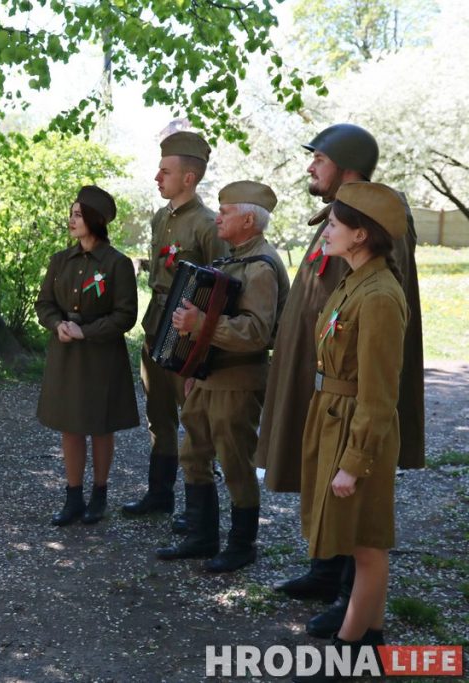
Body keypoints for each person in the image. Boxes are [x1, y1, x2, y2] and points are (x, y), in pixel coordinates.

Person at [257, 124, 424, 638]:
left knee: (361, 516)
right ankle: (328, 571)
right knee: (323, 488)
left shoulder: (373, 220)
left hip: (353, 386)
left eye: (319, 158)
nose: (311, 166)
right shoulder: (337, 217)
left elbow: (375, 324)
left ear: (347, 166)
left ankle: (355, 602)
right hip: (324, 379)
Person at [294, 182, 408, 681]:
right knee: (362, 538)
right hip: (335, 416)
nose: (327, 232)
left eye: (335, 225)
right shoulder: (354, 279)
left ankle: (346, 654)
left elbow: (380, 395)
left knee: (366, 545)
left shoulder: (381, 295)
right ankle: (373, 634)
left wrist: (354, 461)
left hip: (359, 428)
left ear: (360, 234)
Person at [155, 182, 289, 571]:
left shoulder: (261, 266)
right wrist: (195, 363)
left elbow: (256, 333)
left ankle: (241, 544)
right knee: (193, 453)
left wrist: (201, 326)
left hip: (239, 380)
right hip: (210, 376)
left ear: (249, 220)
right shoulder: (232, 259)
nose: (219, 218)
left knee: (235, 462)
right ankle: (201, 536)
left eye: (226, 211)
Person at [122, 131, 229, 520]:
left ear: (189, 178)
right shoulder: (159, 219)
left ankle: (199, 508)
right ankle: (159, 494)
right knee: (158, 412)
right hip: (156, 324)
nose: (156, 177)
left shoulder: (208, 224)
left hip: (188, 330)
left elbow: (222, 287)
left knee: (195, 416)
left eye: (165, 171)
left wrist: (205, 346)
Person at [36, 186, 140, 525]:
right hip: (66, 354)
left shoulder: (117, 264)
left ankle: (99, 494)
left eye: (78, 214)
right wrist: (57, 325)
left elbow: (126, 315)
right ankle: (73, 496)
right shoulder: (59, 261)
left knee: (100, 426)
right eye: (72, 214)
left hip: (101, 357)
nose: (72, 220)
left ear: (95, 219)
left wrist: (87, 332)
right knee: (70, 426)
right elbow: (45, 304)